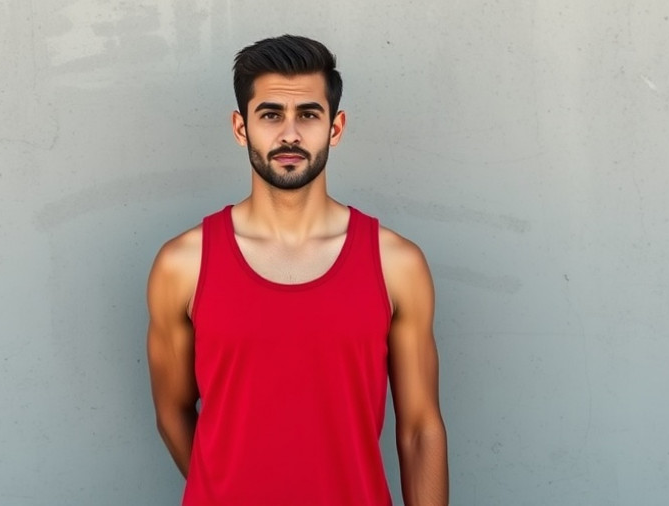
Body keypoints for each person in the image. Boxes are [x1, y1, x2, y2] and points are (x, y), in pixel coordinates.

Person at [147, 34, 448, 506]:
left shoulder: (396, 263)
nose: (290, 134)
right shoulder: (183, 264)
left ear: (336, 127)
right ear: (240, 127)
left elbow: (420, 429)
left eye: (308, 114)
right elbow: (173, 411)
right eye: (270, 115)